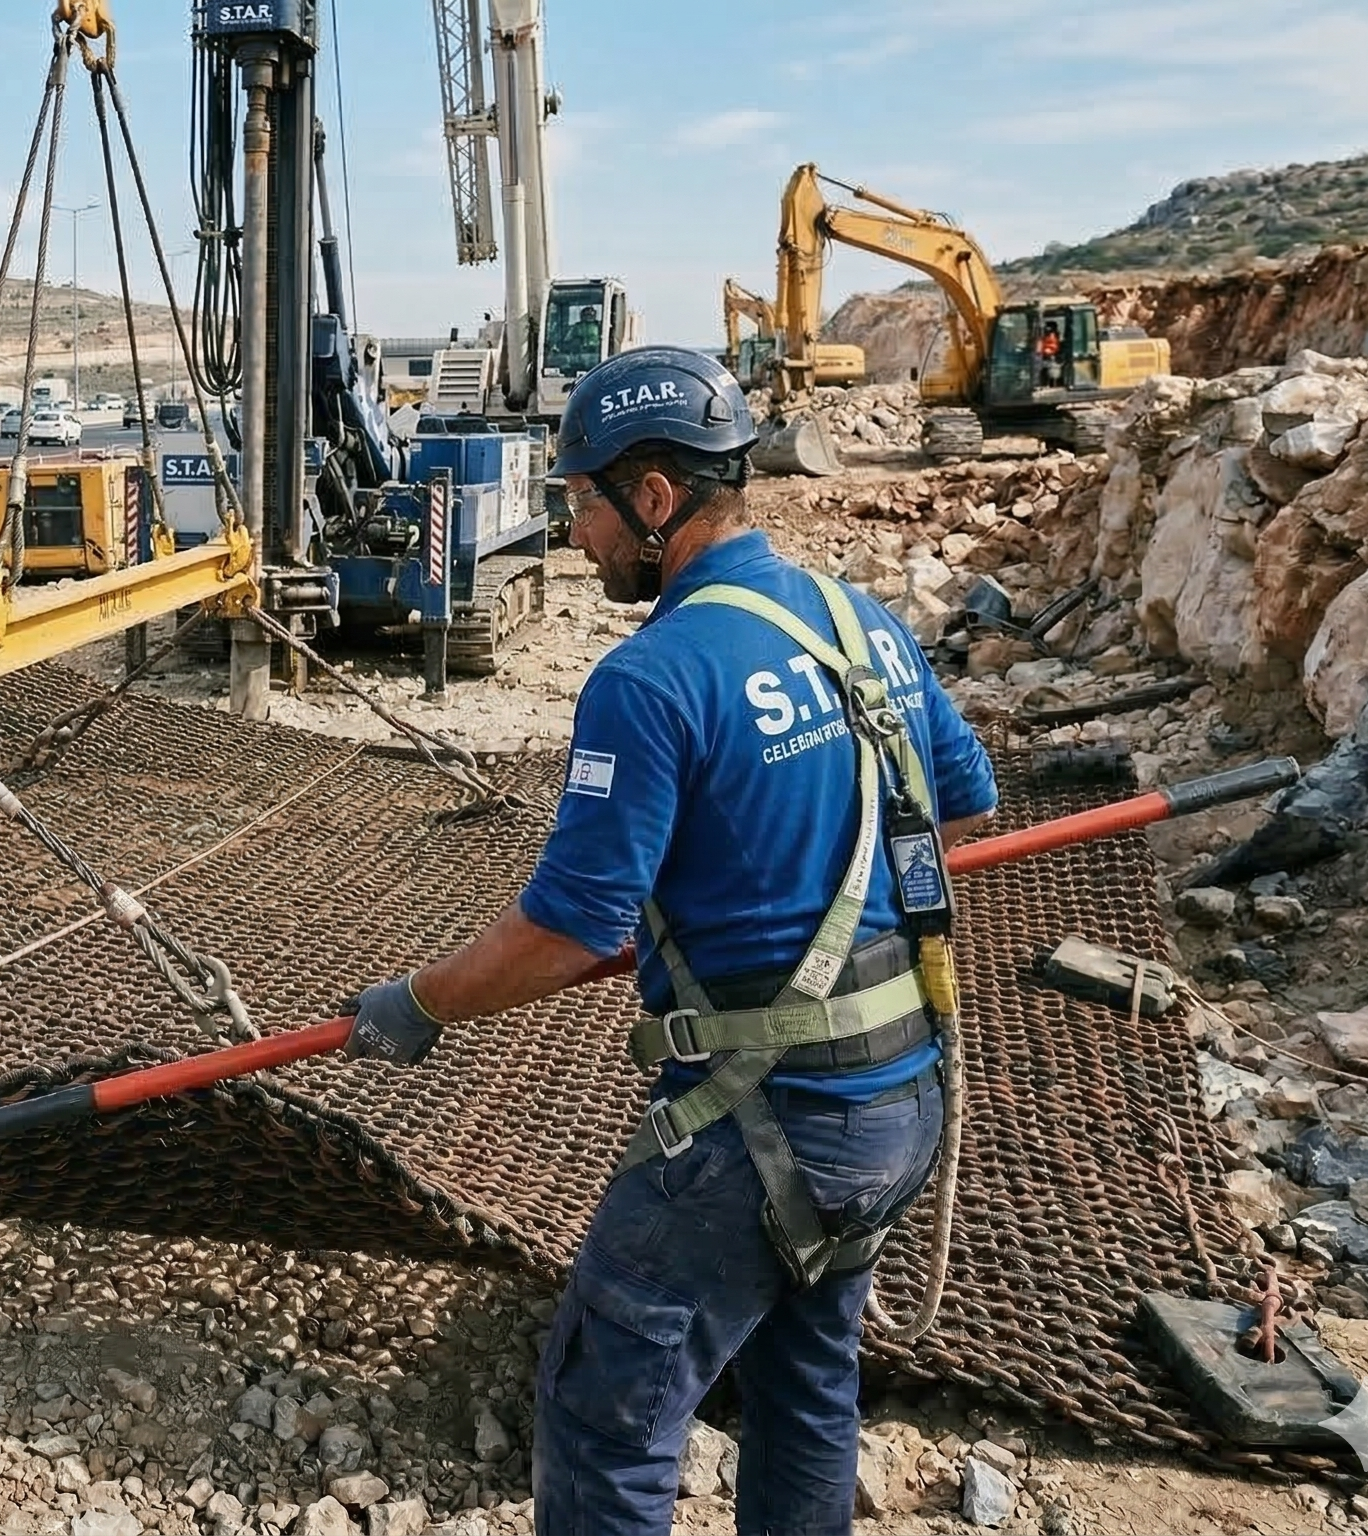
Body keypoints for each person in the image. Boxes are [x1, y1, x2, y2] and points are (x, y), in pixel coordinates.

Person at [340, 345, 997, 1536]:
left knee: (606, 1416)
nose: (575, 534)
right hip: (898, 1102)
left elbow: (565, 927)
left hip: (762, 1133)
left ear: (653, 497)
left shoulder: (649, 679)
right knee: (803, 1382)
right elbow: (960, 805)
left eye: (581, 503)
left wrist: (418, 1004)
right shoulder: (861, 622)